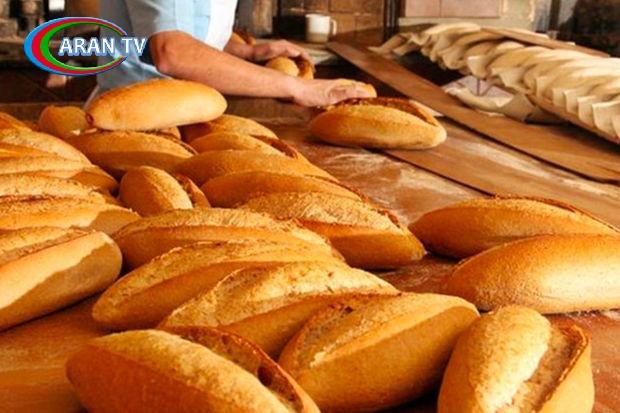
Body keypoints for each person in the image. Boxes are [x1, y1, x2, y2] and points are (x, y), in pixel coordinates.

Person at [97, 0, 373, 106]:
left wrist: (248, 52)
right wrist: (297, 88)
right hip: (136, 115)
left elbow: (195, 26)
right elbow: (172, 51)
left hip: (188, 109)